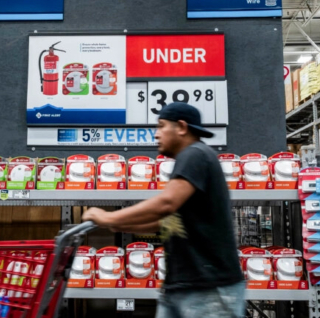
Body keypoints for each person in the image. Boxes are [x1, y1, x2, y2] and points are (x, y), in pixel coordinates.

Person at [82, 102, 245, 318]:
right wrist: (115, 224)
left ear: (181, 127)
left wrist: (107, 216)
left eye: (161, 126)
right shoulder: (190, 159)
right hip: (183, 286)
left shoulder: (195, 154)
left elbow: (166, 203)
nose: (156, 134)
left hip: (208, 289)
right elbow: (167, 221)